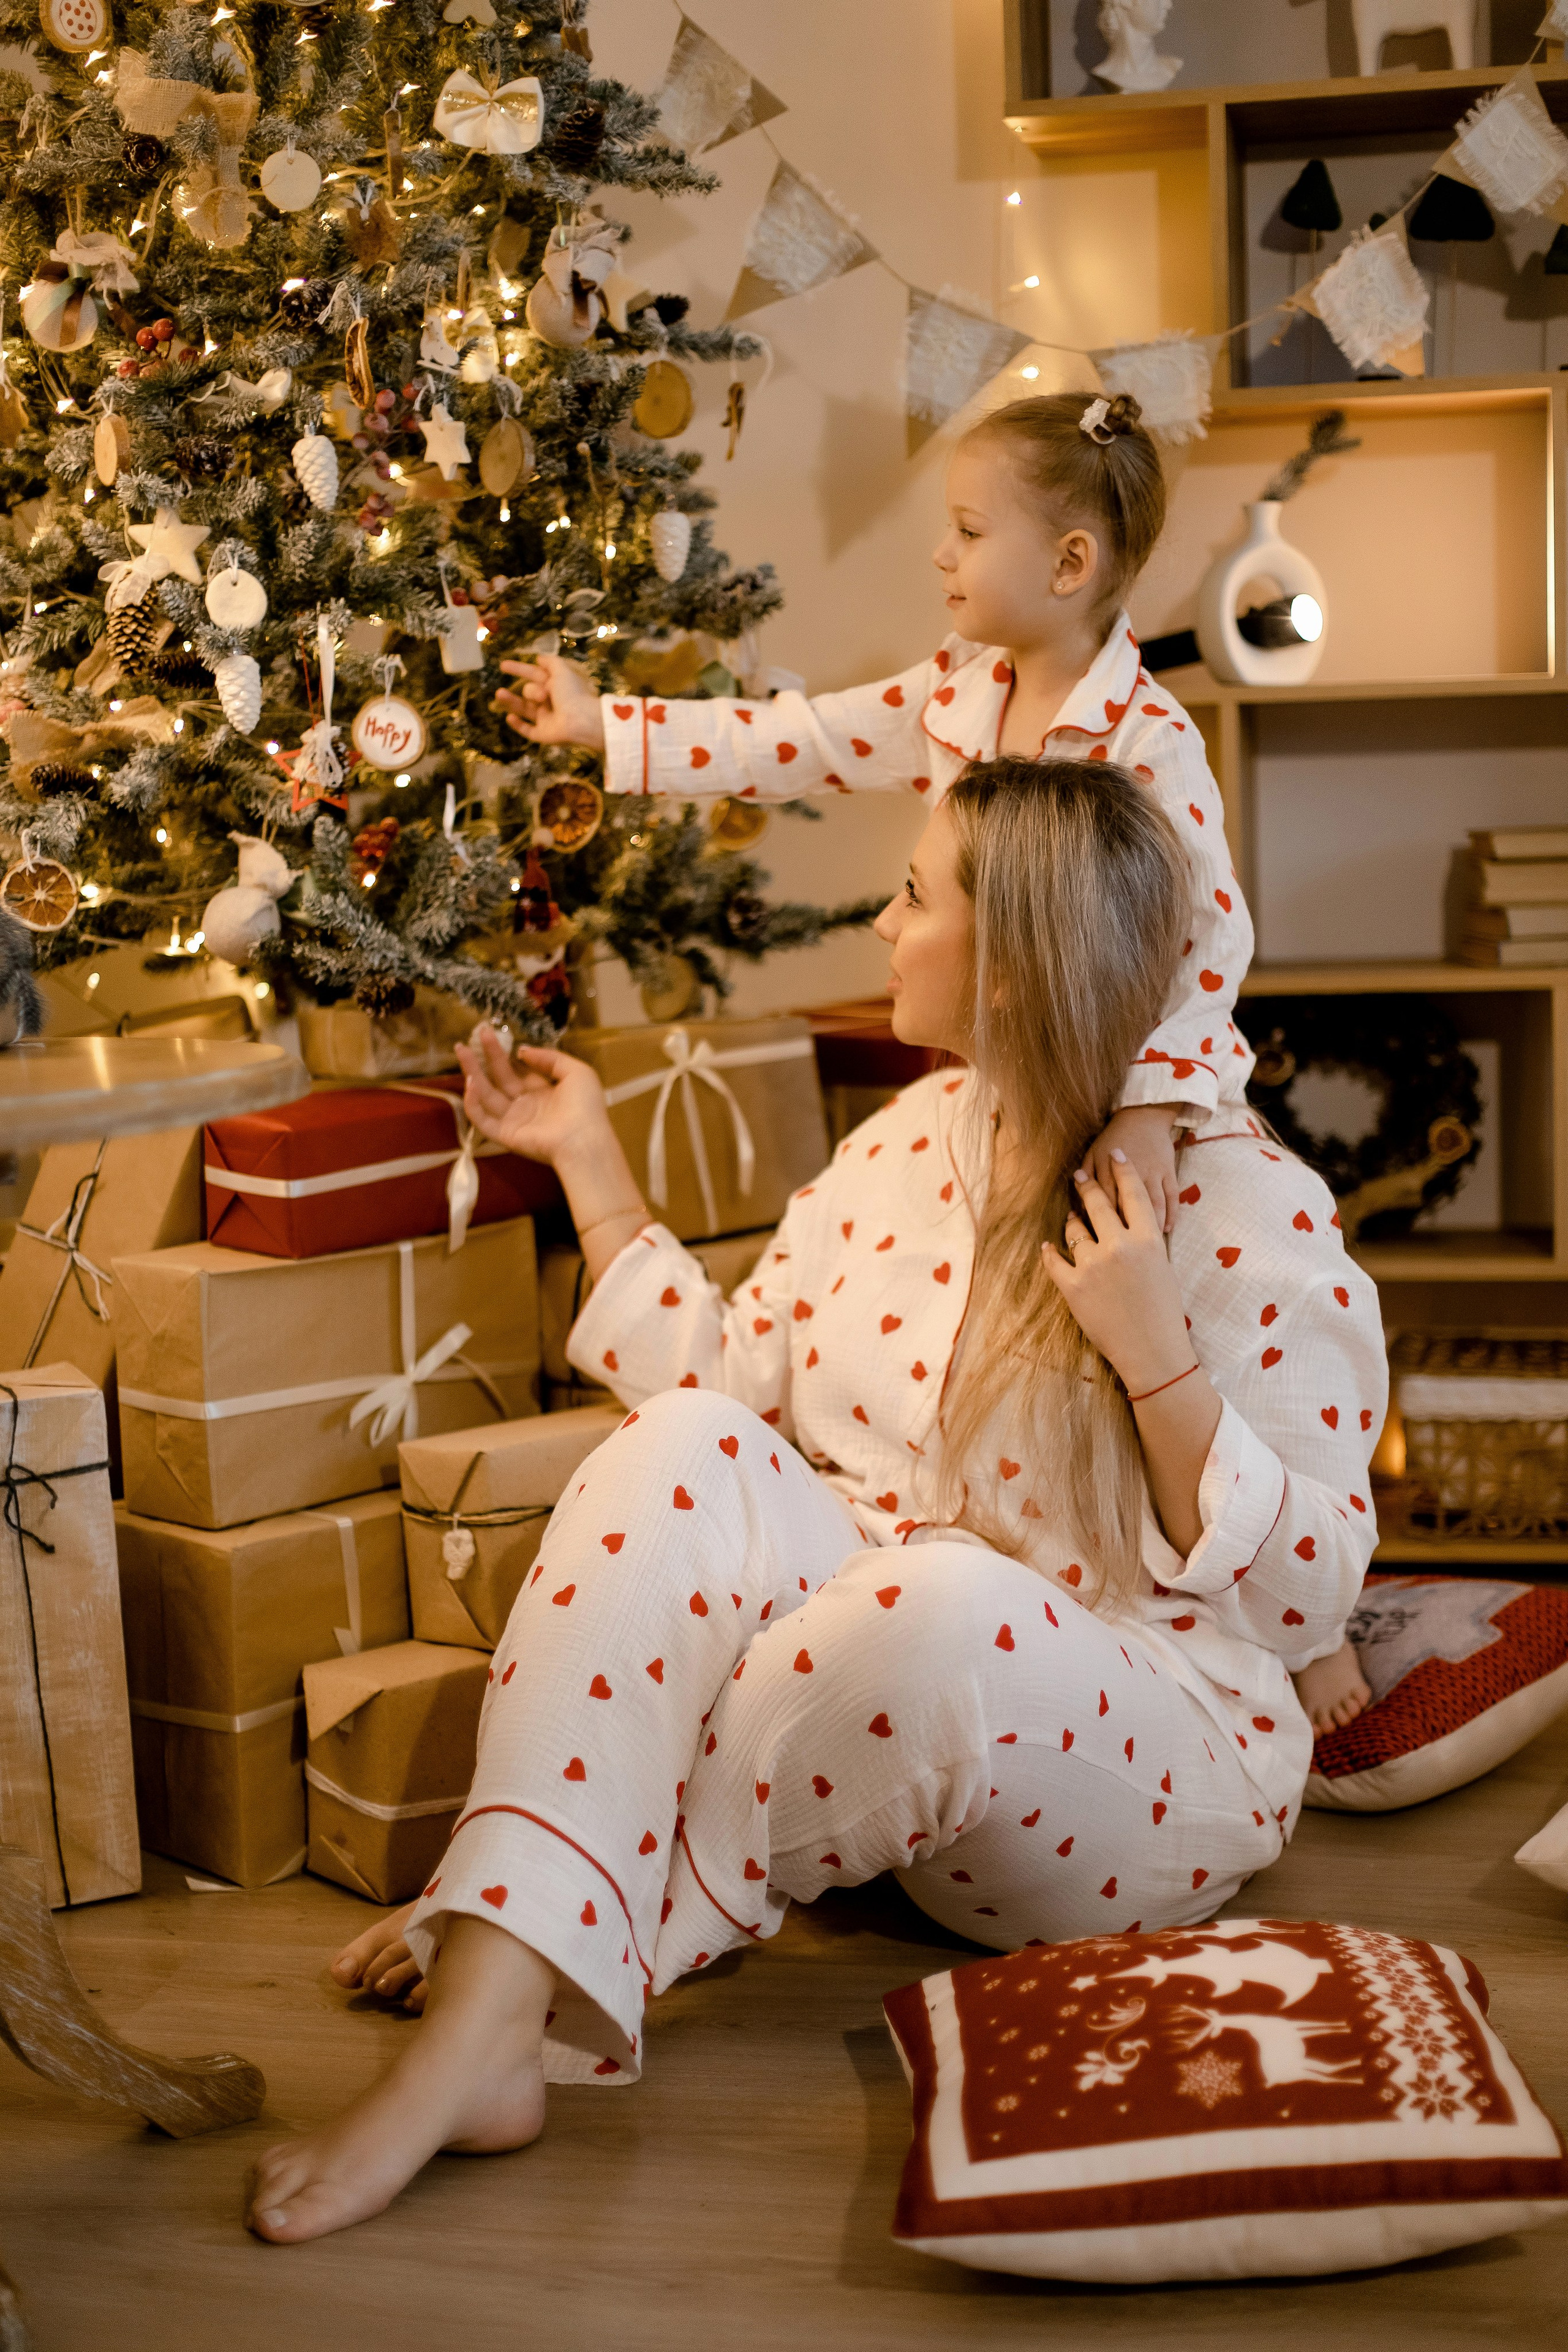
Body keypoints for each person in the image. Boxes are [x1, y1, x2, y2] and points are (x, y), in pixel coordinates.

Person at [244, 756, 1385, 2245]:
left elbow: (1306, 1593)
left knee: (940, 1605)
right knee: (686, 1445)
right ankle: (499, 1994)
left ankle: (543, 1937)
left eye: (914, 897)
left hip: (1137, 1753)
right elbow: (723, 1386)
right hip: (860, 1683)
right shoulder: (904, 1148)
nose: (884, 922)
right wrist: (586, 1158)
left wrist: (1153, 1355)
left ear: (1009, 962)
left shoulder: (1243, 1207)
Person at [494, 389, 1248, 1238]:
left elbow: (1211, 940)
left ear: (1069, 564)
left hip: (1122, 1107)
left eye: (968, 532)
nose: (941, 554)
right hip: (1007, 1098)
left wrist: (1149, 1112)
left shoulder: (1151, 742)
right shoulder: (959, 692)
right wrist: (605, 724)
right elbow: (805, 739)